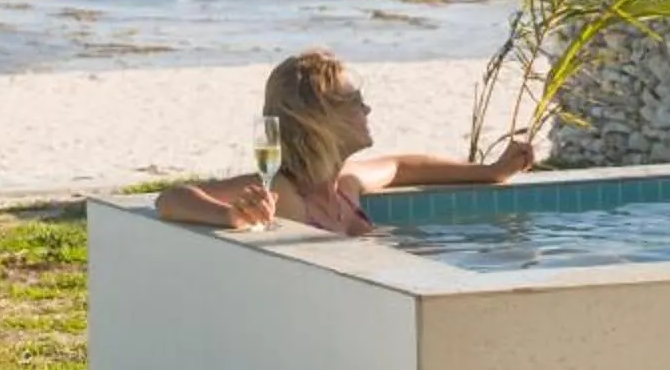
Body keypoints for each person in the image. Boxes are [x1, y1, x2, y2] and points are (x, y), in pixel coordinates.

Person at [155, 47, 535, 235]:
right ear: (320, 120)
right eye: (354, 102)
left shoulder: (344, 185)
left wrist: (491, 172)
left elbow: (402, 166)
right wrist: (231, 216)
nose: (367, 108)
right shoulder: (286, 193)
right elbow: (170, 199)